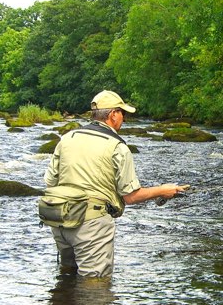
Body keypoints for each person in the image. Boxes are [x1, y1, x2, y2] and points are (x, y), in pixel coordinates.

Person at [43, 90, 187, 278]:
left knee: (67, 277)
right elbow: (131, 196)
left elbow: (50, 181)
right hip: (92, 225)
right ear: (112, 115)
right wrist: (163, 190)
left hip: (59, 219)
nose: (124, 119)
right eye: (123, 113)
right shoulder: (117, 147)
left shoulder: (68, 138)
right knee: (95, 286)